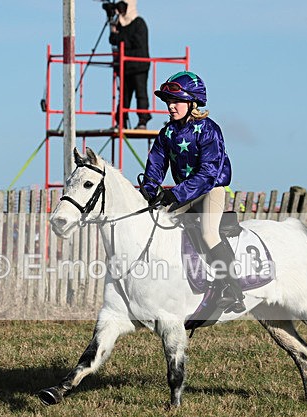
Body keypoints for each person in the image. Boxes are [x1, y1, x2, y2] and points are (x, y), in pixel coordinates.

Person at [141, 71, 245, 314]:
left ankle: (233, 289)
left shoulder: (209, 129)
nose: (170, 106)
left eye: (176, 101)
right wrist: (149, 189)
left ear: (192, 102)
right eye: (168, 101)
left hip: (210, 189)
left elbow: (209, 173)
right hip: (185, 193)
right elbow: (156, 164)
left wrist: (175, 194)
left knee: (209, 233)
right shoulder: (167, 133)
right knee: (159, 225)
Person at [109, 0, 151, 129]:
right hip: (125, 67)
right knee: (124, 96)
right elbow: (113, 40)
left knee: (141, 94)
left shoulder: (139, 23)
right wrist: (112, 24)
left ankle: (142, 121)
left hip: (139, 66)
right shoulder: (120, 24)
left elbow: (135, 43)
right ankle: (121, 121)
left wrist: (120, 37)